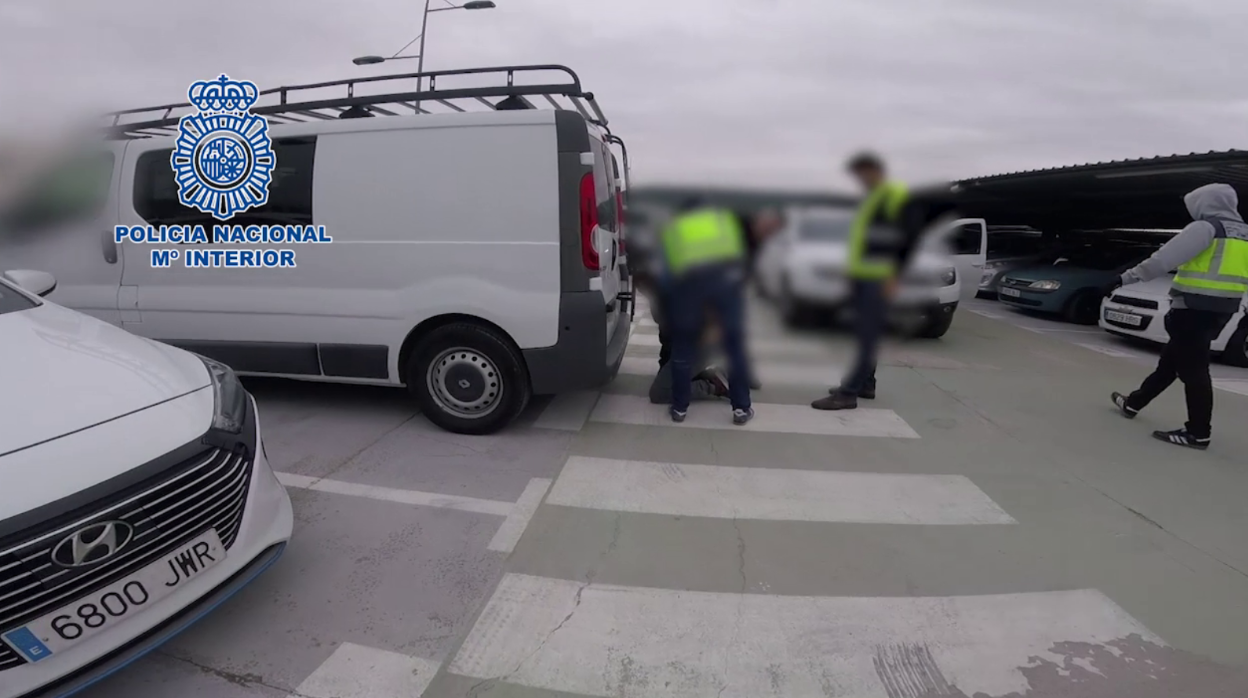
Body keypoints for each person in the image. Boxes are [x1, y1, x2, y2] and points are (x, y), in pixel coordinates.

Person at [1109, 183, 1248, 450]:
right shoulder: (1244, 234)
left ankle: (1198, 433)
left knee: (1194, 371)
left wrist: (1124, 278)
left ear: (1205, 203)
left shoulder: (1206, 228)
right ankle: (1133, 403)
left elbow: (1164, 260)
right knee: (1170, 364)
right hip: (1222, 312)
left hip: (1192, 309)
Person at [811, 152, 931, 411]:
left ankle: (848, 393)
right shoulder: (873, 197)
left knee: (866, 337)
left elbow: (909, 236)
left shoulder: (893, 195)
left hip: (878, 278)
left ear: (874, 170)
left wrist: (894, 274)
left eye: (861, 174)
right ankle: (865, 384)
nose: (859, 179)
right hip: (864, 276)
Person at [660, 197, 755, 424]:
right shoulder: (724, 220)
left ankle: (680, 408)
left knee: (682, 350)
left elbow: (668, 275)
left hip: (689, 291)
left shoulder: (674, 227)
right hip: (725, 288)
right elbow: (739, 259)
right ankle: (741, 407)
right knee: (734, 348)